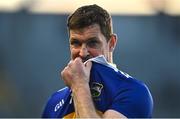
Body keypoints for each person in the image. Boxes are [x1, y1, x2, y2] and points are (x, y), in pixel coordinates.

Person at [42, 4, 153, 118]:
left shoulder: (133, 92)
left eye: (92, 43)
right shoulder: (54, 102)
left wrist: (79, 86)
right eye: (76, 43)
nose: (82, 53)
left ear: (111, 43)